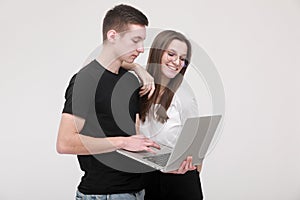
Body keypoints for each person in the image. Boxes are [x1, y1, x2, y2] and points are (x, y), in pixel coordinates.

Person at [56, 4, 161, 199]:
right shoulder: (85, 81)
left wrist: (166, 164)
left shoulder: (130, 81)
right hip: (104, 194)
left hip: (138, 190)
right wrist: (122, 142)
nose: (141, 49)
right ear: (113, 36)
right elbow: (65, 143)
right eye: (135, 40)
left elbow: (135, 138)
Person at [139, 30, 203, 200]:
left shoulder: (184, 98)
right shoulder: (139, 90)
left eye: (183, 59)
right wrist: (137, 68)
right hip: (146, 177)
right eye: (171, 54)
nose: (177, 62)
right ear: (158, 53)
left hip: (178, 180)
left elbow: (197, 148)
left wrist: (189, 166)